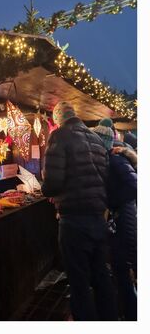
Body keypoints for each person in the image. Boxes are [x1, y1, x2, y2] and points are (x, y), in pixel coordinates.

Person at [42, 101, 117, 320]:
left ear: (58, 118)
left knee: (79, 282)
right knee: (101, 276)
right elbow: (104, 178)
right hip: (98, 219)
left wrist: (45, 186)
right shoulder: (96, 139)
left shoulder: (59, 136)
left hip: (74, 221)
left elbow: (53, 184)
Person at [93, 124, 137, 320]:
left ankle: (132, 315)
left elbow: (136, 186)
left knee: (126, 268)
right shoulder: (109, 159)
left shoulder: (116, 160)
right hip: (121, 218)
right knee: (121, 270)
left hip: (125, 218)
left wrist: (113, 202)